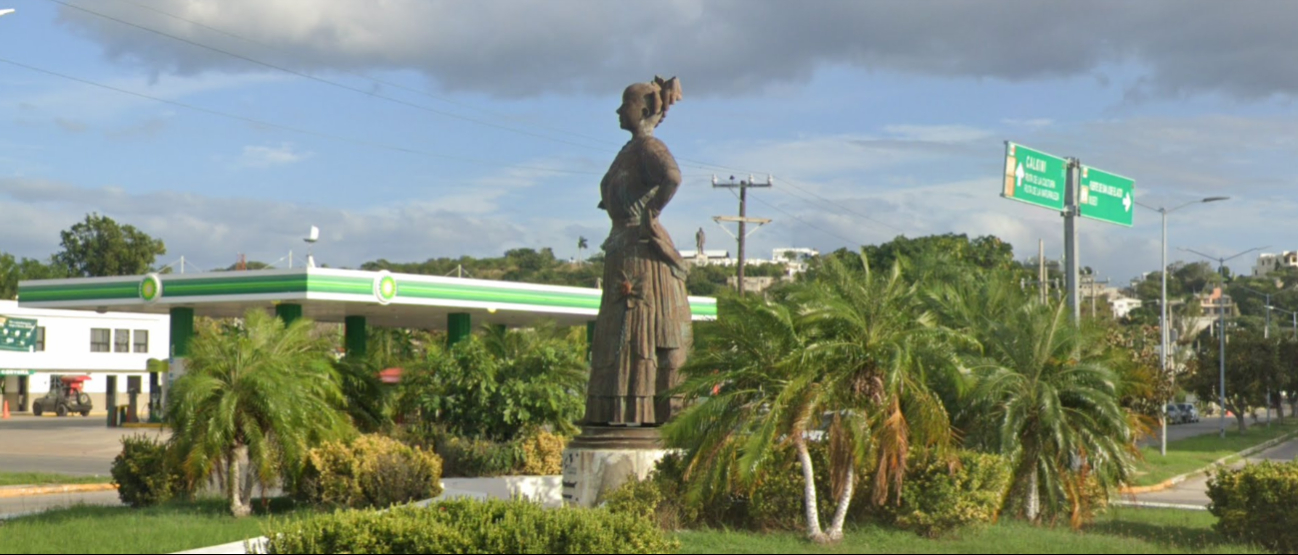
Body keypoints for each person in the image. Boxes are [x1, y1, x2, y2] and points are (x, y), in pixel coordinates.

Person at [586, 76, 692, 426]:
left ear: (644, 110)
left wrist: (651, 212)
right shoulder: (629, 150)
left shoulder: (650, 147)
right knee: (616, 340)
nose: (618, 110)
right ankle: (612, 415)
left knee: (639, 337)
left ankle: (648, 415)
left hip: (642, 257)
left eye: (625, 104)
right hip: (622, 251)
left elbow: (672, 177)